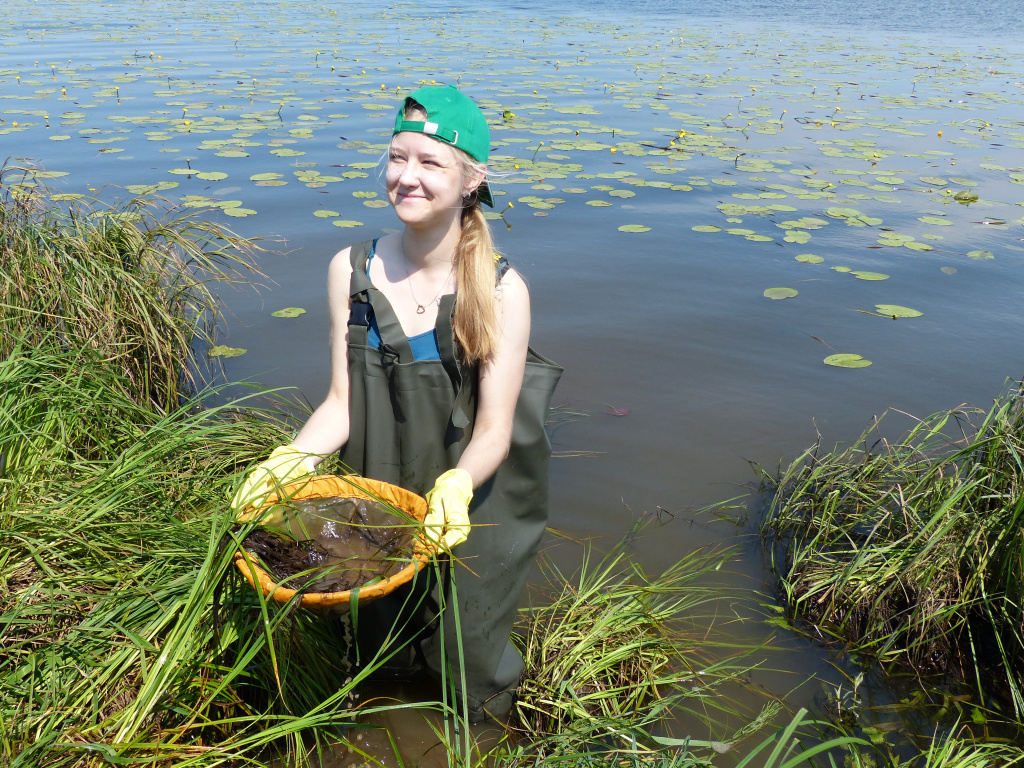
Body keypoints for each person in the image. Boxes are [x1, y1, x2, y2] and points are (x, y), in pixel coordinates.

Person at [233, 85, 562, 723]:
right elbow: (340, 403)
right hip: (376, 481)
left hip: (473, 493)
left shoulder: (499, 288)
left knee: (467, 654)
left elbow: (495, 430)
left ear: (472, 178)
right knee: (376, 641)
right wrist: (290, 458)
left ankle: (480, 737)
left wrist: (458, 487)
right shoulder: (350, 269)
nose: (406, 177)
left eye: (430, 163)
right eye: (395, 158)